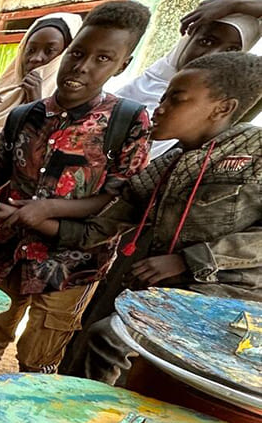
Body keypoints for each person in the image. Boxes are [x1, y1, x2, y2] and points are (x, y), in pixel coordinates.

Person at [38, 52, 262, 383]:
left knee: (110, 339)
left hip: (224, 295)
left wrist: (188, 260)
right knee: (86, 337)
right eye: (164, 96)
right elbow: (105, 224)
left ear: (223, 108)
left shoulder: (255, 156)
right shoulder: (168, 164)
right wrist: (37, 218)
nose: (160, 107)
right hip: (158, 288)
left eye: (177, 99)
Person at [0, 0, 154, 384]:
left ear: (123, 65)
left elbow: (117, 197)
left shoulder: (128, 121)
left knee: (40, 356)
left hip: (73, 264)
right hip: (9, 252)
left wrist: (46, 209)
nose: (82, 66)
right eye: (78, 53)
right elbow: (3, 165)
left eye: (103, 58)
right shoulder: (23, 114)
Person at [113, 0, 261, 160]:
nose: (212, 55)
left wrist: (240, 2)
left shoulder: (216, 120)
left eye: (231, 51)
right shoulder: (123, 96)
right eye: (206, 42)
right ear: (186, 41)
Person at [0, 13, 82, 131]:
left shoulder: (72, 102)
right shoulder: (3, 92)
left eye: (49, 51)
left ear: (63, 56)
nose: (36, 58)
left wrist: (36, 104)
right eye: (31, 50)